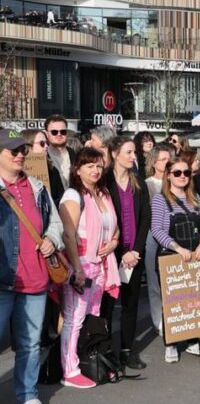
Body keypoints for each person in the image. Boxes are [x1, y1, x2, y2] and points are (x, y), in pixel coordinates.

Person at [0, 128, 64, 404]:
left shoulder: (37, 187)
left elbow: (55, 223)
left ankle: (28, 394)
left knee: (29, 343)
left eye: (22, 150)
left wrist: (52, 237)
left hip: (36, 280)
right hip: (3, 280)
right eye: (12, 150)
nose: (20, 154)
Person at [59, 147, 119, 390]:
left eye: (98, 165)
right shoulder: (73, 196)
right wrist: (77, 270)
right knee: (74, 319)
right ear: (77, 169)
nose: (95, 170)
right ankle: (69, 369)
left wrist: (113, 243)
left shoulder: (103, 194)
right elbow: (68, 235)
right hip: (81, 265)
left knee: (90, 318)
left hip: (101, 266)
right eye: (89, 165)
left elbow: (114, 229)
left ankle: (84, 360)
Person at [151, 160, 200, 364]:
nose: (182, 176)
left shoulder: (195, 198)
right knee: (172, 303)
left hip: (196, 255)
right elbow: (157, 229)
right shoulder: (160, 200)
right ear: (168, 175)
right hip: (171, 256)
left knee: (195, 300)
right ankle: (171, 344)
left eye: (186, 172)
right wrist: (177, 248)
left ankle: (194, 340)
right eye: (177, 172)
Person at [100, 137, 151, 370]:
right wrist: (121, 253)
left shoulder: (137, 181)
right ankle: (106, 350)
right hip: (112, 255)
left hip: (134, 255)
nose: (133, 156)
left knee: (131, 305)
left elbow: (145, 219)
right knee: (108, 306)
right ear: (114, 153)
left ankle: (128, 350)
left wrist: (136, 251)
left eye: (134, 153)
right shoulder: (104, 182)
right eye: (129, 152)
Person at [144, 143, 174, 335]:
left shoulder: (176, 180)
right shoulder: (147, 184)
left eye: (168, 159)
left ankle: (174, 318)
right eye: (162, 159)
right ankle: (159, 321)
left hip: (174, 234)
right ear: (154, 162)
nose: (166, 162)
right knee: (154, 281)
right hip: (153, 235)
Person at [21, 128, 65, 204]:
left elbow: (61, 198)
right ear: (28, 145)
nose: (46, 146)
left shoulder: (52, 170)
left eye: (47, 143)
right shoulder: (17, 171)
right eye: (42, 143)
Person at [45, 114, 76, 192]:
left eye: (63, 131)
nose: (59, 134)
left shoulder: (73, 154)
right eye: (54, 132)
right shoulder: (43, 155)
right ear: (46, 134)